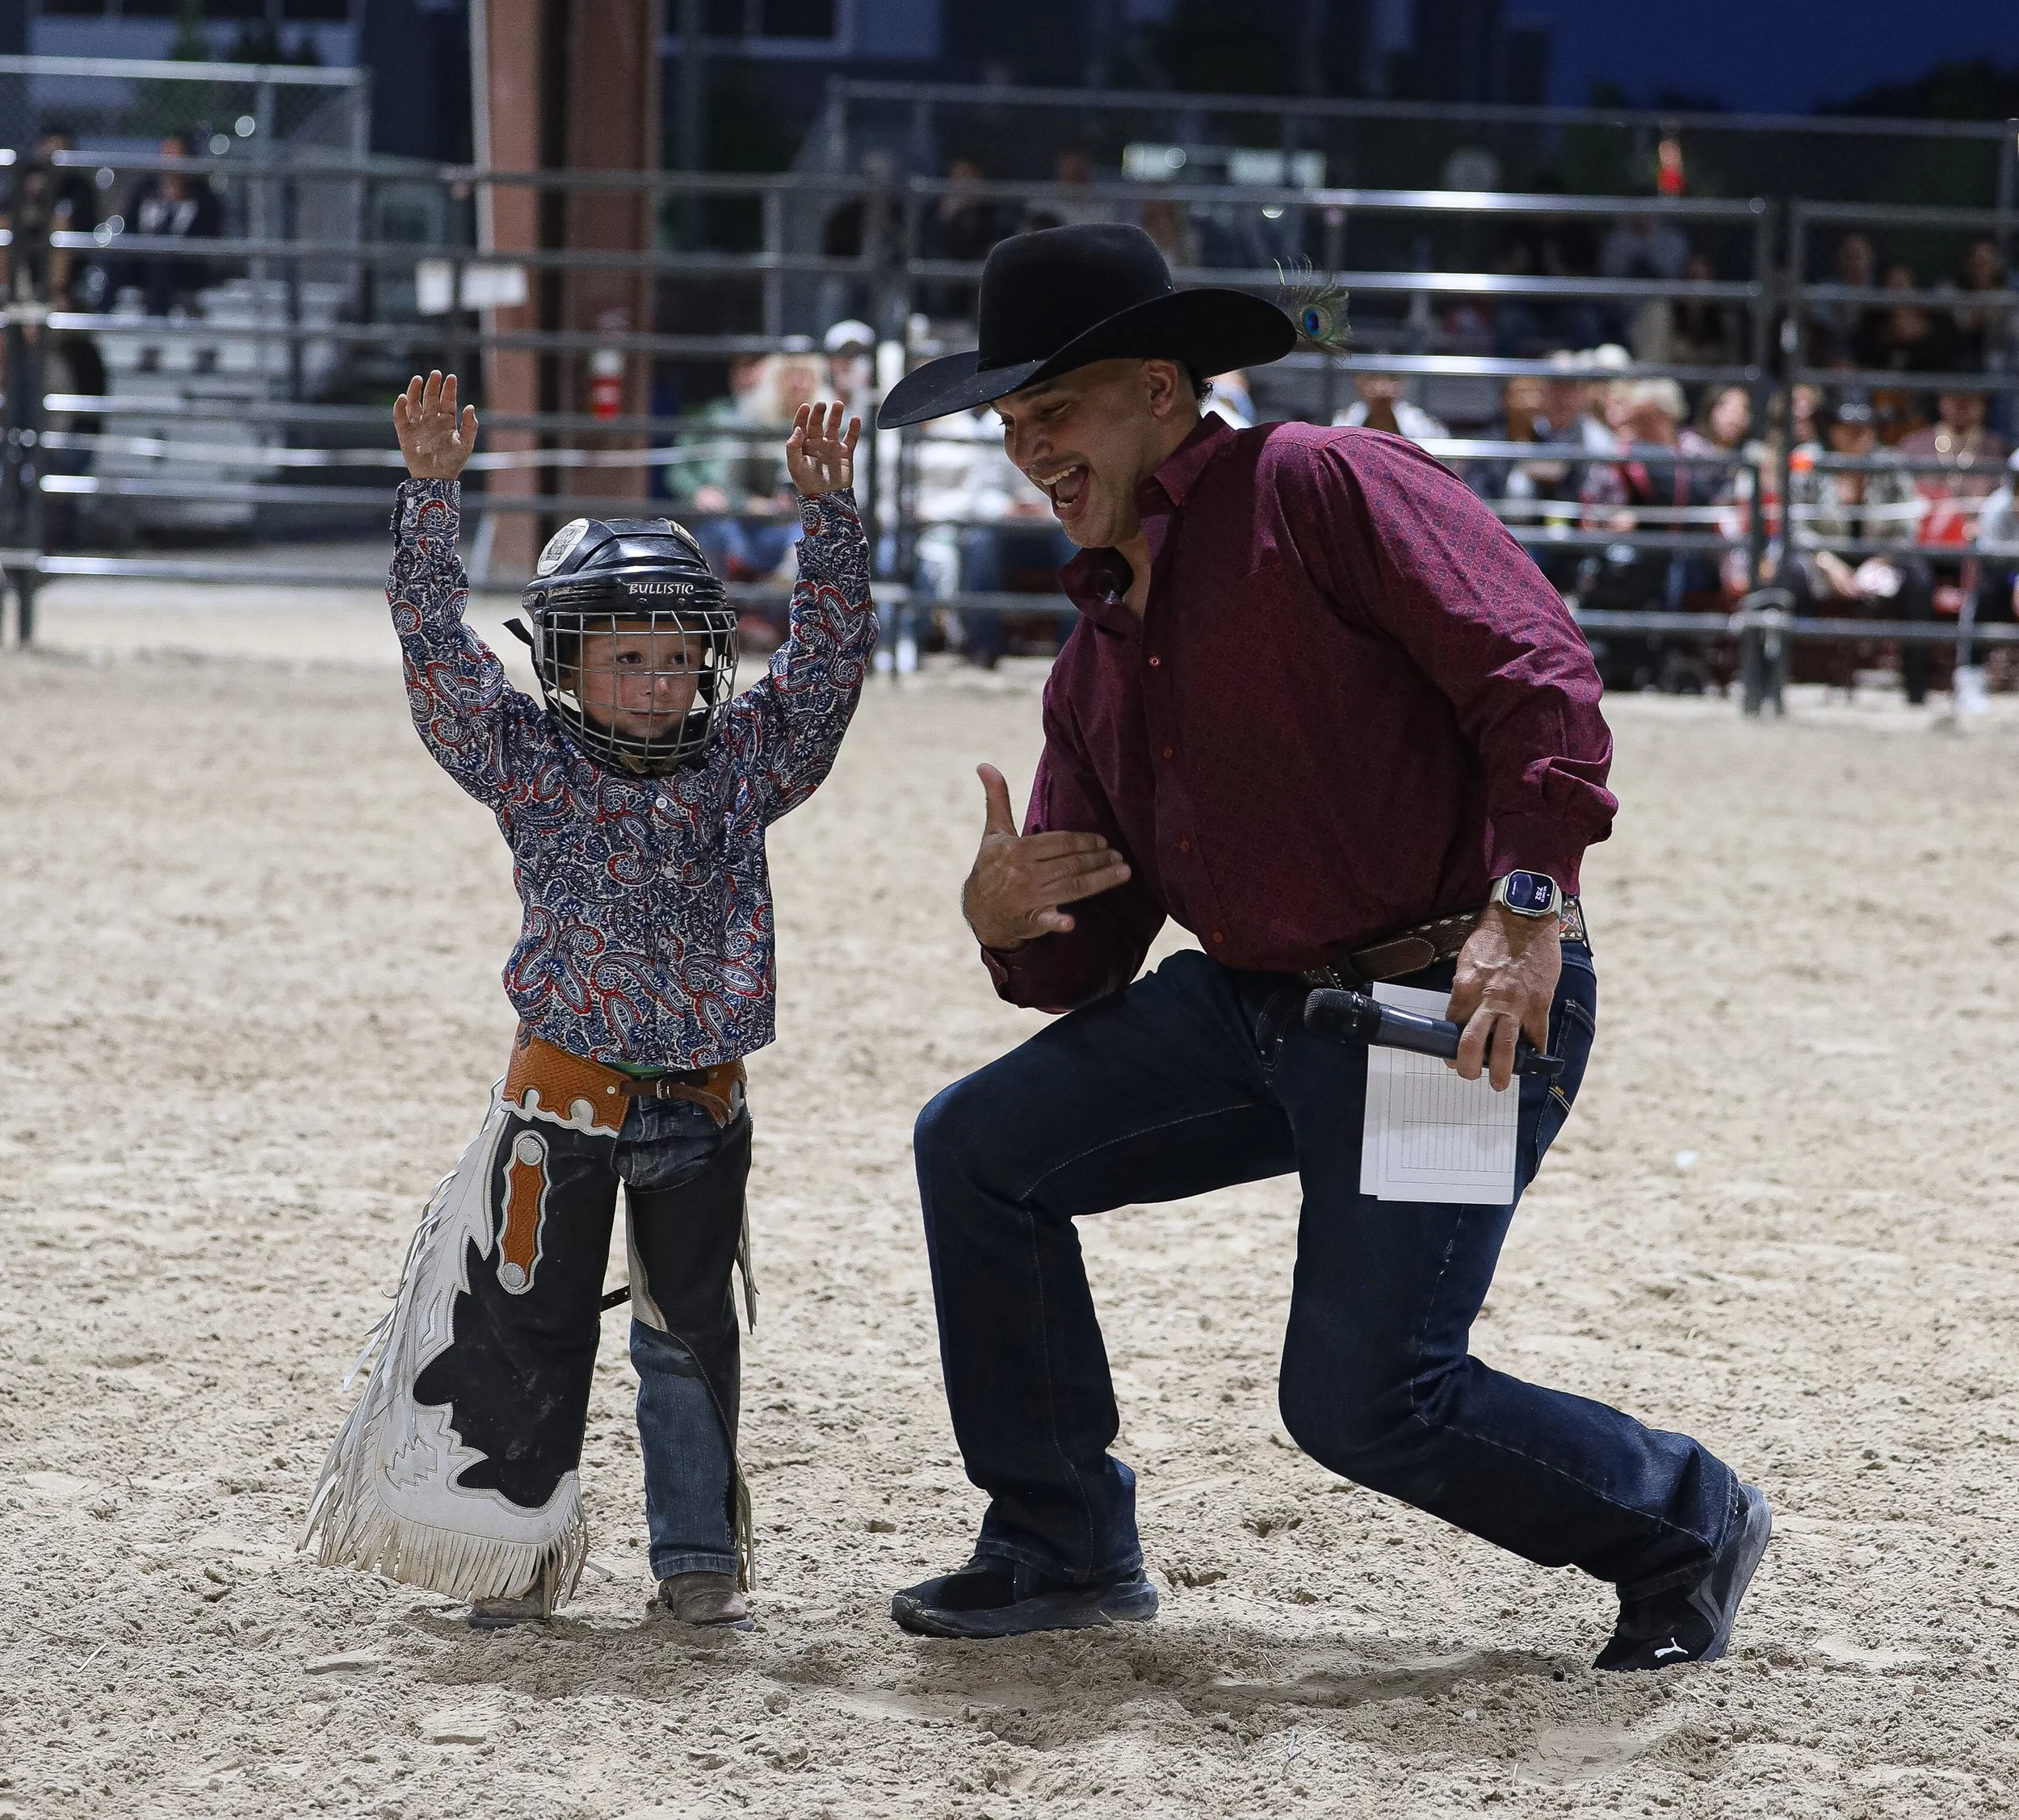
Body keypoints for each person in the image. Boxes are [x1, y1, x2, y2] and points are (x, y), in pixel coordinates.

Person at [873, 224, 1769, 1664]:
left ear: (1163, 390)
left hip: (1448, 1004)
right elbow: (1084, 960)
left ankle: (1684, 1514)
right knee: (976, 1145)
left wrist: (1527, 906)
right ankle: (1058, 1536)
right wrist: (1004, 919)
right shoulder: (1092, 661)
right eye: (1010, 425)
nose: (1026, 451)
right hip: (1255, 1007)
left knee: (1367, 1401)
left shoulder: (1323, 483)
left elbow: (1538, 672)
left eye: (1054, 411)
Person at [305, 373, 875, 1633]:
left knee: (689, 1337)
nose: (663, 681)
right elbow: (439, 661)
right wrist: (429, 498)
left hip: (700, 1099)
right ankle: (510, 1554)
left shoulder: (747, 761)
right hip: (560, 1099)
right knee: (526, 1327)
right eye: (631, 657)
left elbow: (825, 680)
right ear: (567, 658)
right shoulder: (528, 758)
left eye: (681, 656)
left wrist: (830, 522)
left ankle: (695, 1559)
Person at [1787, 396, 1933, 699]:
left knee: (1919, 578)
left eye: (1865, 428)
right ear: (1831, 429)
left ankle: (1917, 687)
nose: (1858, 435)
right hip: (1821, 559)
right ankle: (1791, 677)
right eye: (1848, 427)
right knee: (1789, 573)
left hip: (1882, 558)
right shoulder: (1807, 460)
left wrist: (1881, 560)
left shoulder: (1890, 464)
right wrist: (1828, 563)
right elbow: (1795, 524)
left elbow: (1907, 524)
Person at [1332, 371, 1447, 443]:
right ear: (1359, 382)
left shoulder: (1419, 423)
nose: (1382, 387)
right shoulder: (1345, 420)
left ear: (1403, 382)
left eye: (1391, 378)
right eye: (1373, 378)